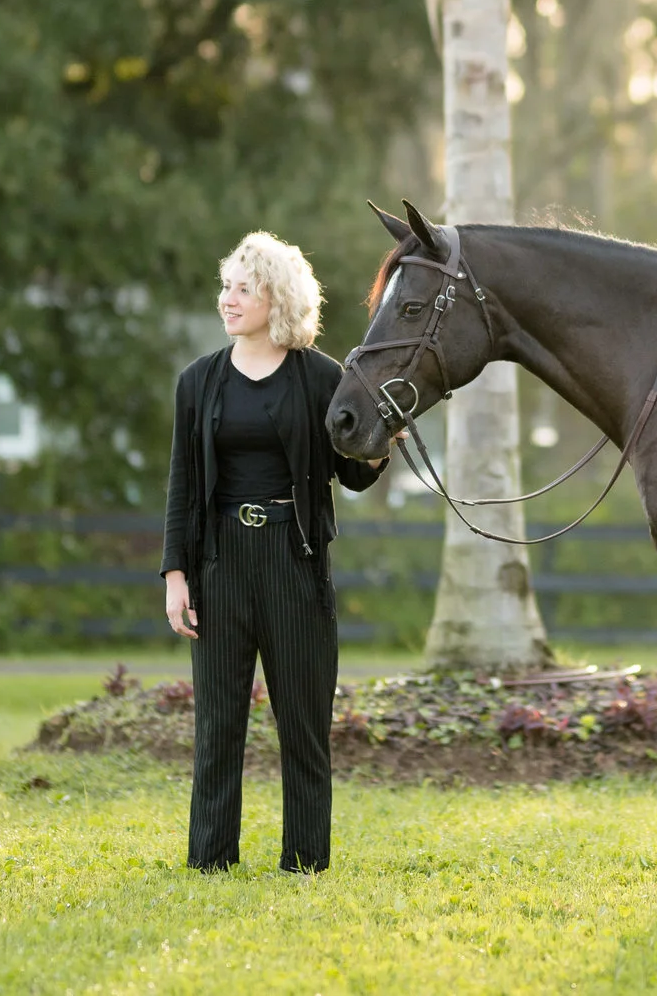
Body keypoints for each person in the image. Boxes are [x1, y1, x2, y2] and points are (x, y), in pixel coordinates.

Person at [161, 231, 387, 873]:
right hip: (219, 564)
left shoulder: (321, 378)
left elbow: (354, 473)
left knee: (304, 724)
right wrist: (176, 573)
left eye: (243, 289)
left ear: (276, 299)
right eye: (225, 287)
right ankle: (210, 859)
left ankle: (306, 860)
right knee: (218, 725)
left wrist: (382, 438)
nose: (227, 300)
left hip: (296, 562)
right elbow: (182, 484)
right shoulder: (197, 382)